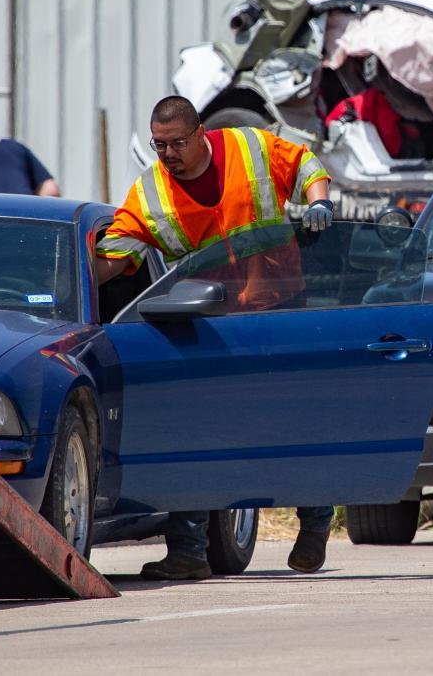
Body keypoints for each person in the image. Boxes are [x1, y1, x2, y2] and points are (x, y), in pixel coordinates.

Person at [95, 95, 337, 581]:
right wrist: (64, 277)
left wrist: (319, 203)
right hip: (210, 324)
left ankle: (315, 525)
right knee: (197, 431)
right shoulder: (151, 193)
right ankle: (189, 551)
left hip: (278, 312)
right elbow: (117, 255)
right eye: (158, 146)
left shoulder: (249, 148)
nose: (167, 155)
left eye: (177, 144)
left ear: (201, 133)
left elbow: (306, 165)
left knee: (293, 423)